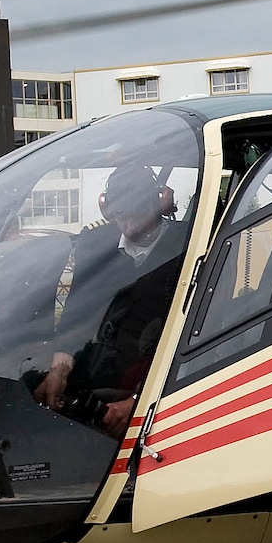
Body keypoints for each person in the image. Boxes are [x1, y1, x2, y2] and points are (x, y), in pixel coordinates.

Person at [33, 165, 186, 439]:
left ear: (159, 201)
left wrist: (140, 402)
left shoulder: (188, 243)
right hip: (100, 369)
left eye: (137, 212)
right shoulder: (95, 243)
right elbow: (78, 310)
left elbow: (196, 331)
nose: (128, 225)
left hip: (158, 378)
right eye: (120, 215)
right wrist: (59, 369)